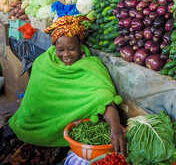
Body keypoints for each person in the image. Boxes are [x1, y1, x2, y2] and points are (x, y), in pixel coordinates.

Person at [4, 16, 126, 163]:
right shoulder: (43, 63)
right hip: (32, 124)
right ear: (54, 47)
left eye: (71, 49)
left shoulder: (91, 66)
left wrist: (115, 127)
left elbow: (104, 97)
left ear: (80, 46)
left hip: (68, 132)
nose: (66, 55)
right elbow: (35, 100)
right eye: (60, 50)